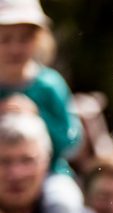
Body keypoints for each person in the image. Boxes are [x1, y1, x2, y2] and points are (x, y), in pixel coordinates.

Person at [0, 0, 81, 176]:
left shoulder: (49, 85)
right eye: (5, 39)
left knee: (65, 202)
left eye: (24, 39)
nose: (15, 48)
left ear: (39, 40)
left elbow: (71, 142)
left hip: (48, 175)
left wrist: (39, 116)